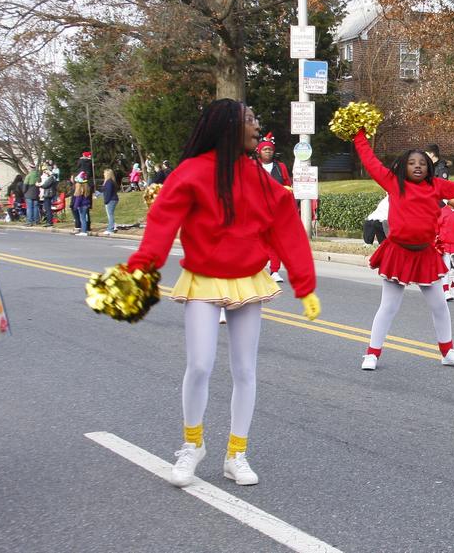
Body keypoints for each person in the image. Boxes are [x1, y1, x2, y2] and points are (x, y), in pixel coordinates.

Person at [124, 98, 319, 487]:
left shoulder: (259, 176)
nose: (256, 126)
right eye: (249, 119)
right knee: (200, 365)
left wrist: (304, 283)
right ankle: (192, 444)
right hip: (204, 279)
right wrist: (140, 268)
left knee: (245, 370)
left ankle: (236, 453)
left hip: (249, 278)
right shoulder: (191, 172)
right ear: (228, 126)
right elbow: (163, 222)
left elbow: (286, 227)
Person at [353, 128, 454, 370]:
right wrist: (359, 136)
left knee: (439, 305)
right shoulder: (394, 183)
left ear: (429, 167)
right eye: (412, 163)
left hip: (425, 254)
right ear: (403, 166)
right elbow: (370, 162)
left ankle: (447, 352)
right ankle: (372, 354)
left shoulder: (436, 186)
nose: (417, 166)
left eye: (423, 163)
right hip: (399, 252)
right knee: (389, 306)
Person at [255, 133, 291, 282]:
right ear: (259, 151)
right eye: (265, 150)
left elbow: (288, 185)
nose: (268, 152)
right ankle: (255, 268)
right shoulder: (252, 165)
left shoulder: (280, 167)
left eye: (270, 149)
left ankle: (274, 271)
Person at [71, 171, 92, 236]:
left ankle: (84, 231)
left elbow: (78, 198)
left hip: (82, 205)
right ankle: (84, 230)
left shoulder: (79, 188)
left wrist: (75, 206)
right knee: (84, 218)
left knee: (82, 219)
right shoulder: (86, 187)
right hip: (86, 204)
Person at [100, 168, 119, 235]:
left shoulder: (109, 182)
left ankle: (110, 229)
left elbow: (108, 192)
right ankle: (113, 226)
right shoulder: (110, 181)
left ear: (107, 174)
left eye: (104, 173)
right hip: (113, 199)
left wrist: (106, 201)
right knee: (110, 214)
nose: (103, 174)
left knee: (110, 214)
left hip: (111, 200)